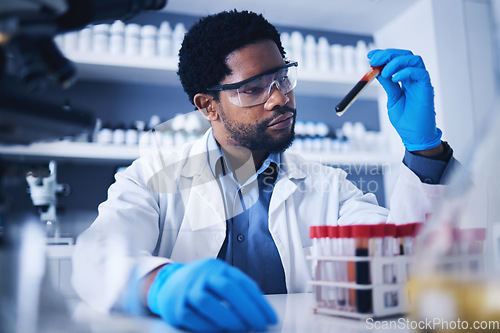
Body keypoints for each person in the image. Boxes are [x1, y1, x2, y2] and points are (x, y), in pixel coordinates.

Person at [72, 10, 455, 332]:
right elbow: (96, 254)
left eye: (282, 78)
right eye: (252, 89)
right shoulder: (155, 175)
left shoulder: (327, 186)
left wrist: (423, 149)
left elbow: (398, 257)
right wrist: (160, 283)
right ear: (208, 105)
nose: (279, 99)